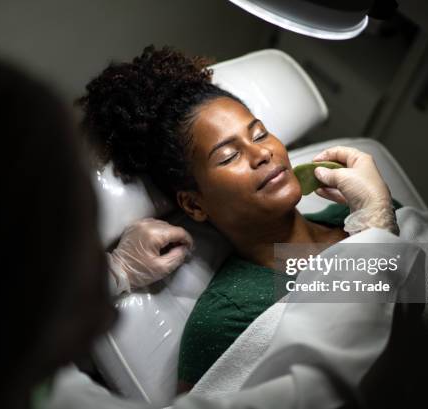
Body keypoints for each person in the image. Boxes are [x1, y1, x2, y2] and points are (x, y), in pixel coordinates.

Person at [76, 45, 404, 389]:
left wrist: (378, 223)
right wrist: (379, 239)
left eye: (260, 133)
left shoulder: (359, 211)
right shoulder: (225, 318)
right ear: (193, 205)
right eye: (229, 155)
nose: (262, 153)